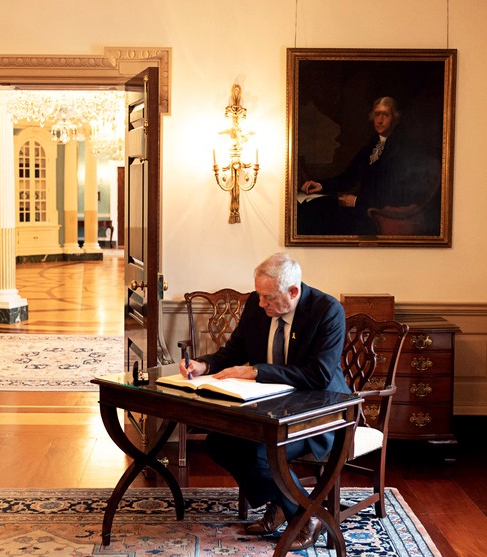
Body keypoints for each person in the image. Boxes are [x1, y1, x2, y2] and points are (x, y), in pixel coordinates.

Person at [179, 252, 348, 550]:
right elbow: (232, 353)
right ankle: (282, 502)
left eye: (268, 298)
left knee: (261, 453)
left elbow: (319, 375)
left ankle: (307, 516)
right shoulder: (258, 309)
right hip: (268, 412)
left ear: (293, 292)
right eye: (259, 295)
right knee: (218, 443)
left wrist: (257, 371)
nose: (260, 304)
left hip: (317, 414)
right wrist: (203, 365)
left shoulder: (327, 311)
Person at [297, 96, 439, 236]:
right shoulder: (371, 147)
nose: (380, 120)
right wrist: (321, 185)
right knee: (311, 206)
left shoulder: (403, 150)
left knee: (322, 213)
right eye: (377, 114)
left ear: (395, 119)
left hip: (375, 214)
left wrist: (358, 201)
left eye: (385, 115)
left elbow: (399, 194)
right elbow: (348, 177)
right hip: (361, 209)